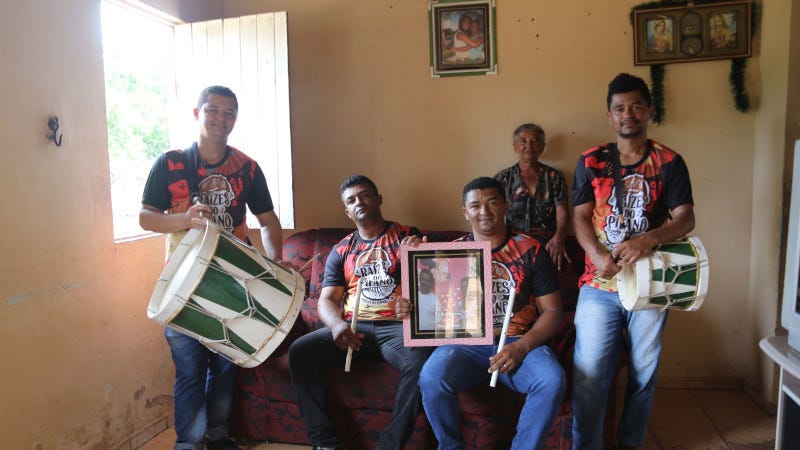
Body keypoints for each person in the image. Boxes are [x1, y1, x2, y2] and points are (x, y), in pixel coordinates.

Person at [140, 85, 284, 450]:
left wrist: (274, 261)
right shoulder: (169, 163)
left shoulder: (248, 168)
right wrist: (184, 219)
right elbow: (146, 217)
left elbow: (268, 222)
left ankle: (218, 438)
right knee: (190, 370)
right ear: (197, 113)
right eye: (213, 110)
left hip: (235, 283)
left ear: (236, 118)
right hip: (183, 284)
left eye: (229, 112)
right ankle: (189, 444)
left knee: (224, 369)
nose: (221, 118)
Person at [570, 73, 695, 449]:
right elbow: (579, 217)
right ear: (609, 116)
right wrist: (597, 256)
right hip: (599, 284)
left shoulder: (669, 162)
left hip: (651, 283)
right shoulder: (591, 161)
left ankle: (630, 444)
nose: (628, 114)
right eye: (620, 108)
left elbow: (685, 218)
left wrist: (648, 239)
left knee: (643, 376)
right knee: (589, 376)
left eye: (636, 106)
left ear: (649, 110)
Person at [400, 176, 566, 450]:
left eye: (492, 203)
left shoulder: (531, 250)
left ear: (506, 206)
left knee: (551, 380)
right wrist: (411, 301)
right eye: (475, 205)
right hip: (465, 343)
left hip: (517, 340)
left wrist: (522, 347)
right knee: (431, 377)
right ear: (465, 212)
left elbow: (552, 310)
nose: (484, 211)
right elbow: (430, 304)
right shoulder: (449, 253)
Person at [287, 174, 431, 450]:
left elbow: (432, 286)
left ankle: (389, 446)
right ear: (347, 212)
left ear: (379, 199)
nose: (359, 202)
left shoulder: (407, 236)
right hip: (354, 327)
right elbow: (326, 300)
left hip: (396, 328)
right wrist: (336, 326)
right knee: (300, 352)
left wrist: (420, 256)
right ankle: (325, 443)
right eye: (351, 200)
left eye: (364, 195)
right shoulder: (342, 249)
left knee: (422, 364)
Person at [495, 123, 572, 270]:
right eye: (523, 141)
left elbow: (562, 211)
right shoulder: (503, 178)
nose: (529, 146)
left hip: (548, 243)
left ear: (542, 147)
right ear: (515, 147)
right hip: (514, 243)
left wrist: (559, 237)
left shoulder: (554, 176)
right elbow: (495, 214)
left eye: (534, 141)